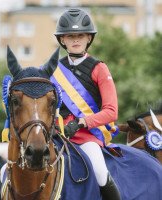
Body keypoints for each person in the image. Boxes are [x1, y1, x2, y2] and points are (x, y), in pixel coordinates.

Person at [51, 8, 121, 200]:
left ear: (89, 38)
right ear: (62, 40)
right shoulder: (53, 69)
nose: (75, 40)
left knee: (99, 172)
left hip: (87, 137)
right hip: (56, 136)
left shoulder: (99, 68)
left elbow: (111, 112)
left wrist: (82, 122)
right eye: (70, 36)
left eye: (80, 35)